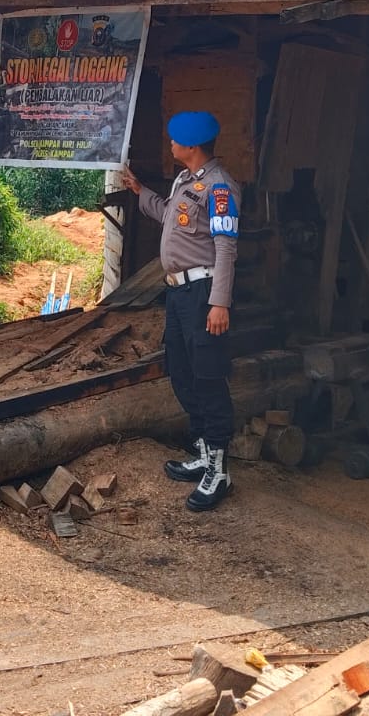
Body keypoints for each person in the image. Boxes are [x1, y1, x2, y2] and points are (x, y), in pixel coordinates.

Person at [122, 111, 240, 512]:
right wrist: (140, 191)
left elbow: (226, 247)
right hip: (178, 293)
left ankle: (219, 469)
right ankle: (205, 453)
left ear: (190, 146)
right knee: (182, 371)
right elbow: (170, 216)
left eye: (174, 140)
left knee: (208, 377)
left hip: (204, 293)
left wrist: (219, 302)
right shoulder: (185, 181)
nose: (169, 145)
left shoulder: (220, 188)